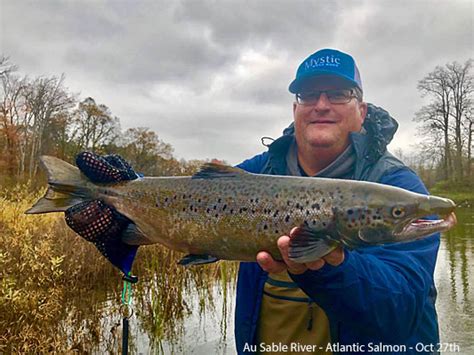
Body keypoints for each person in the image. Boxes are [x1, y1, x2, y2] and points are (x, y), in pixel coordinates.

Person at [66, 49, 441, 354]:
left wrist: (330, 266)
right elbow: (186, 207)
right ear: (295, 109)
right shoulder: (257, 172)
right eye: (309, 95)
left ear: (361, 109)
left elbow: (400, 311)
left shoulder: (397, 187)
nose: (321, 104)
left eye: (338, 93)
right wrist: (127, 203)